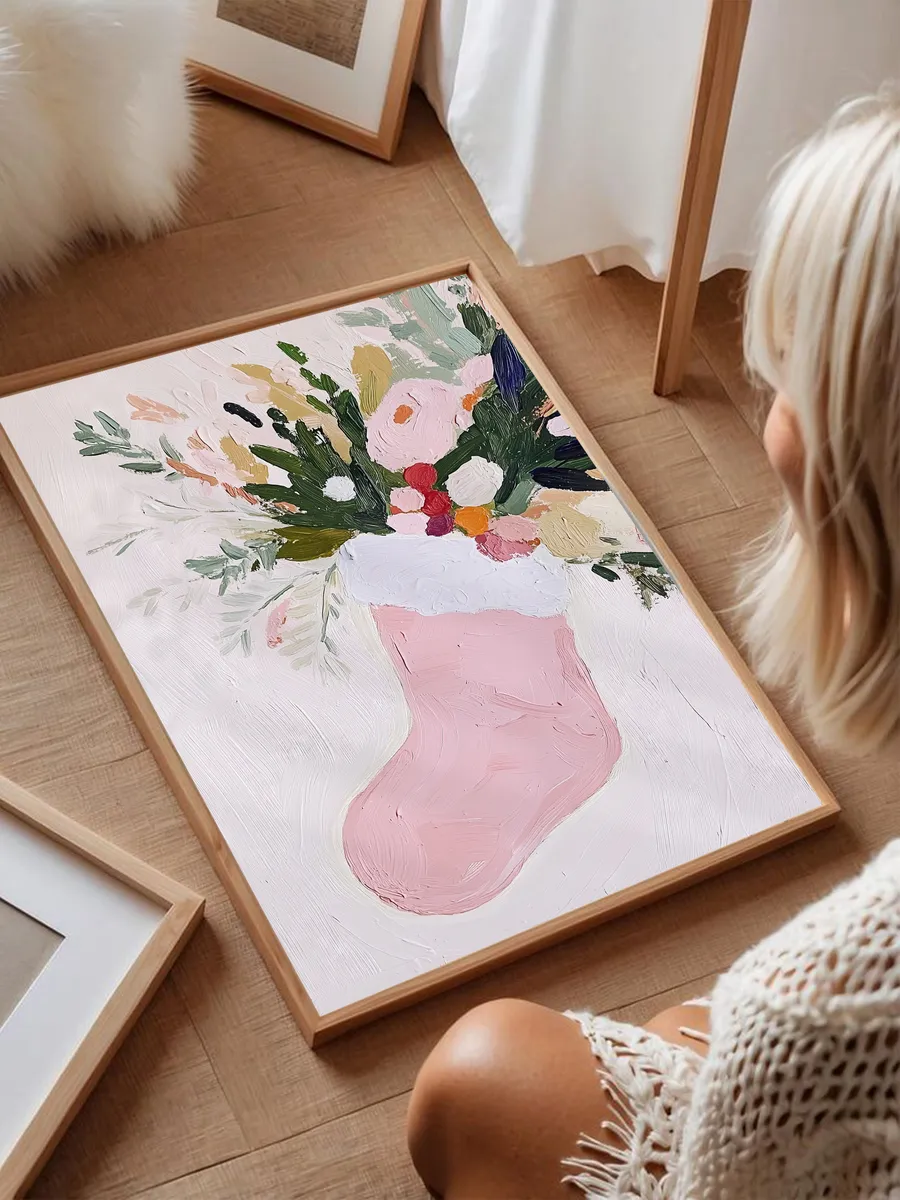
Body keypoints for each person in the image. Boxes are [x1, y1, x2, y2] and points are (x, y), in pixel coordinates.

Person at [407, 90, 900, 1199]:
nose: (770, 405)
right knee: (684, 1025)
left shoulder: (814, 1006)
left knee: (480, 1076)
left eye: (790, 374)